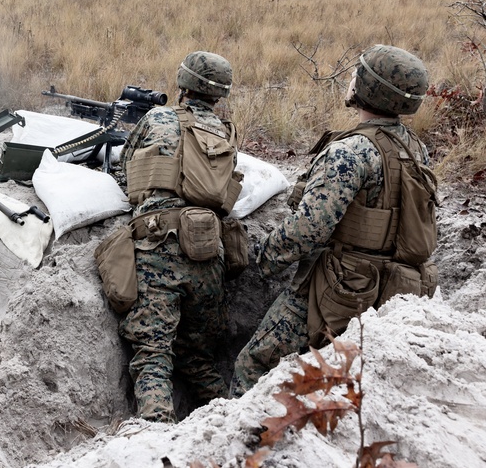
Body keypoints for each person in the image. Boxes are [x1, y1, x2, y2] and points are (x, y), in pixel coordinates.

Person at [230, 44, 433, 397]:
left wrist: (255, 262)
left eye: (359, 73)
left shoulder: (350, 152)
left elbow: (305, 232)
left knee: (254, 366)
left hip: (341, 288)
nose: (351, 78)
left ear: (368, 89)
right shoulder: (416, 147)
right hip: (396, 285)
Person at [118, 50, 238, 422]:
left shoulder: (157, 116)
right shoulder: (225, 132)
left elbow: (126, 166)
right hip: (208, 250)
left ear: (183, 84)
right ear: (219, 95)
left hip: (159, 244)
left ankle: (156, 435)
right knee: (195, 356)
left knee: (154, 353)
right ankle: (233, 422)